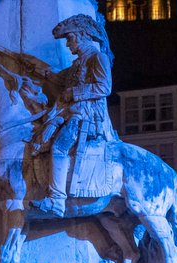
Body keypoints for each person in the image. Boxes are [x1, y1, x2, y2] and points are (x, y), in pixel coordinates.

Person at [30, 14, 115, 217]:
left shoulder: (97, 58)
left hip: (86, 115)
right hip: (68, 113)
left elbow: (104, 87)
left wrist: (75, 93)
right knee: (39, 140)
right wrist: (40, 71)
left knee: (60, 146)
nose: (68, 44)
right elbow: (61, 79)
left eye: (70, 38)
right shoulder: (78, 63)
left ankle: (57, 200)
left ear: (83, 35)